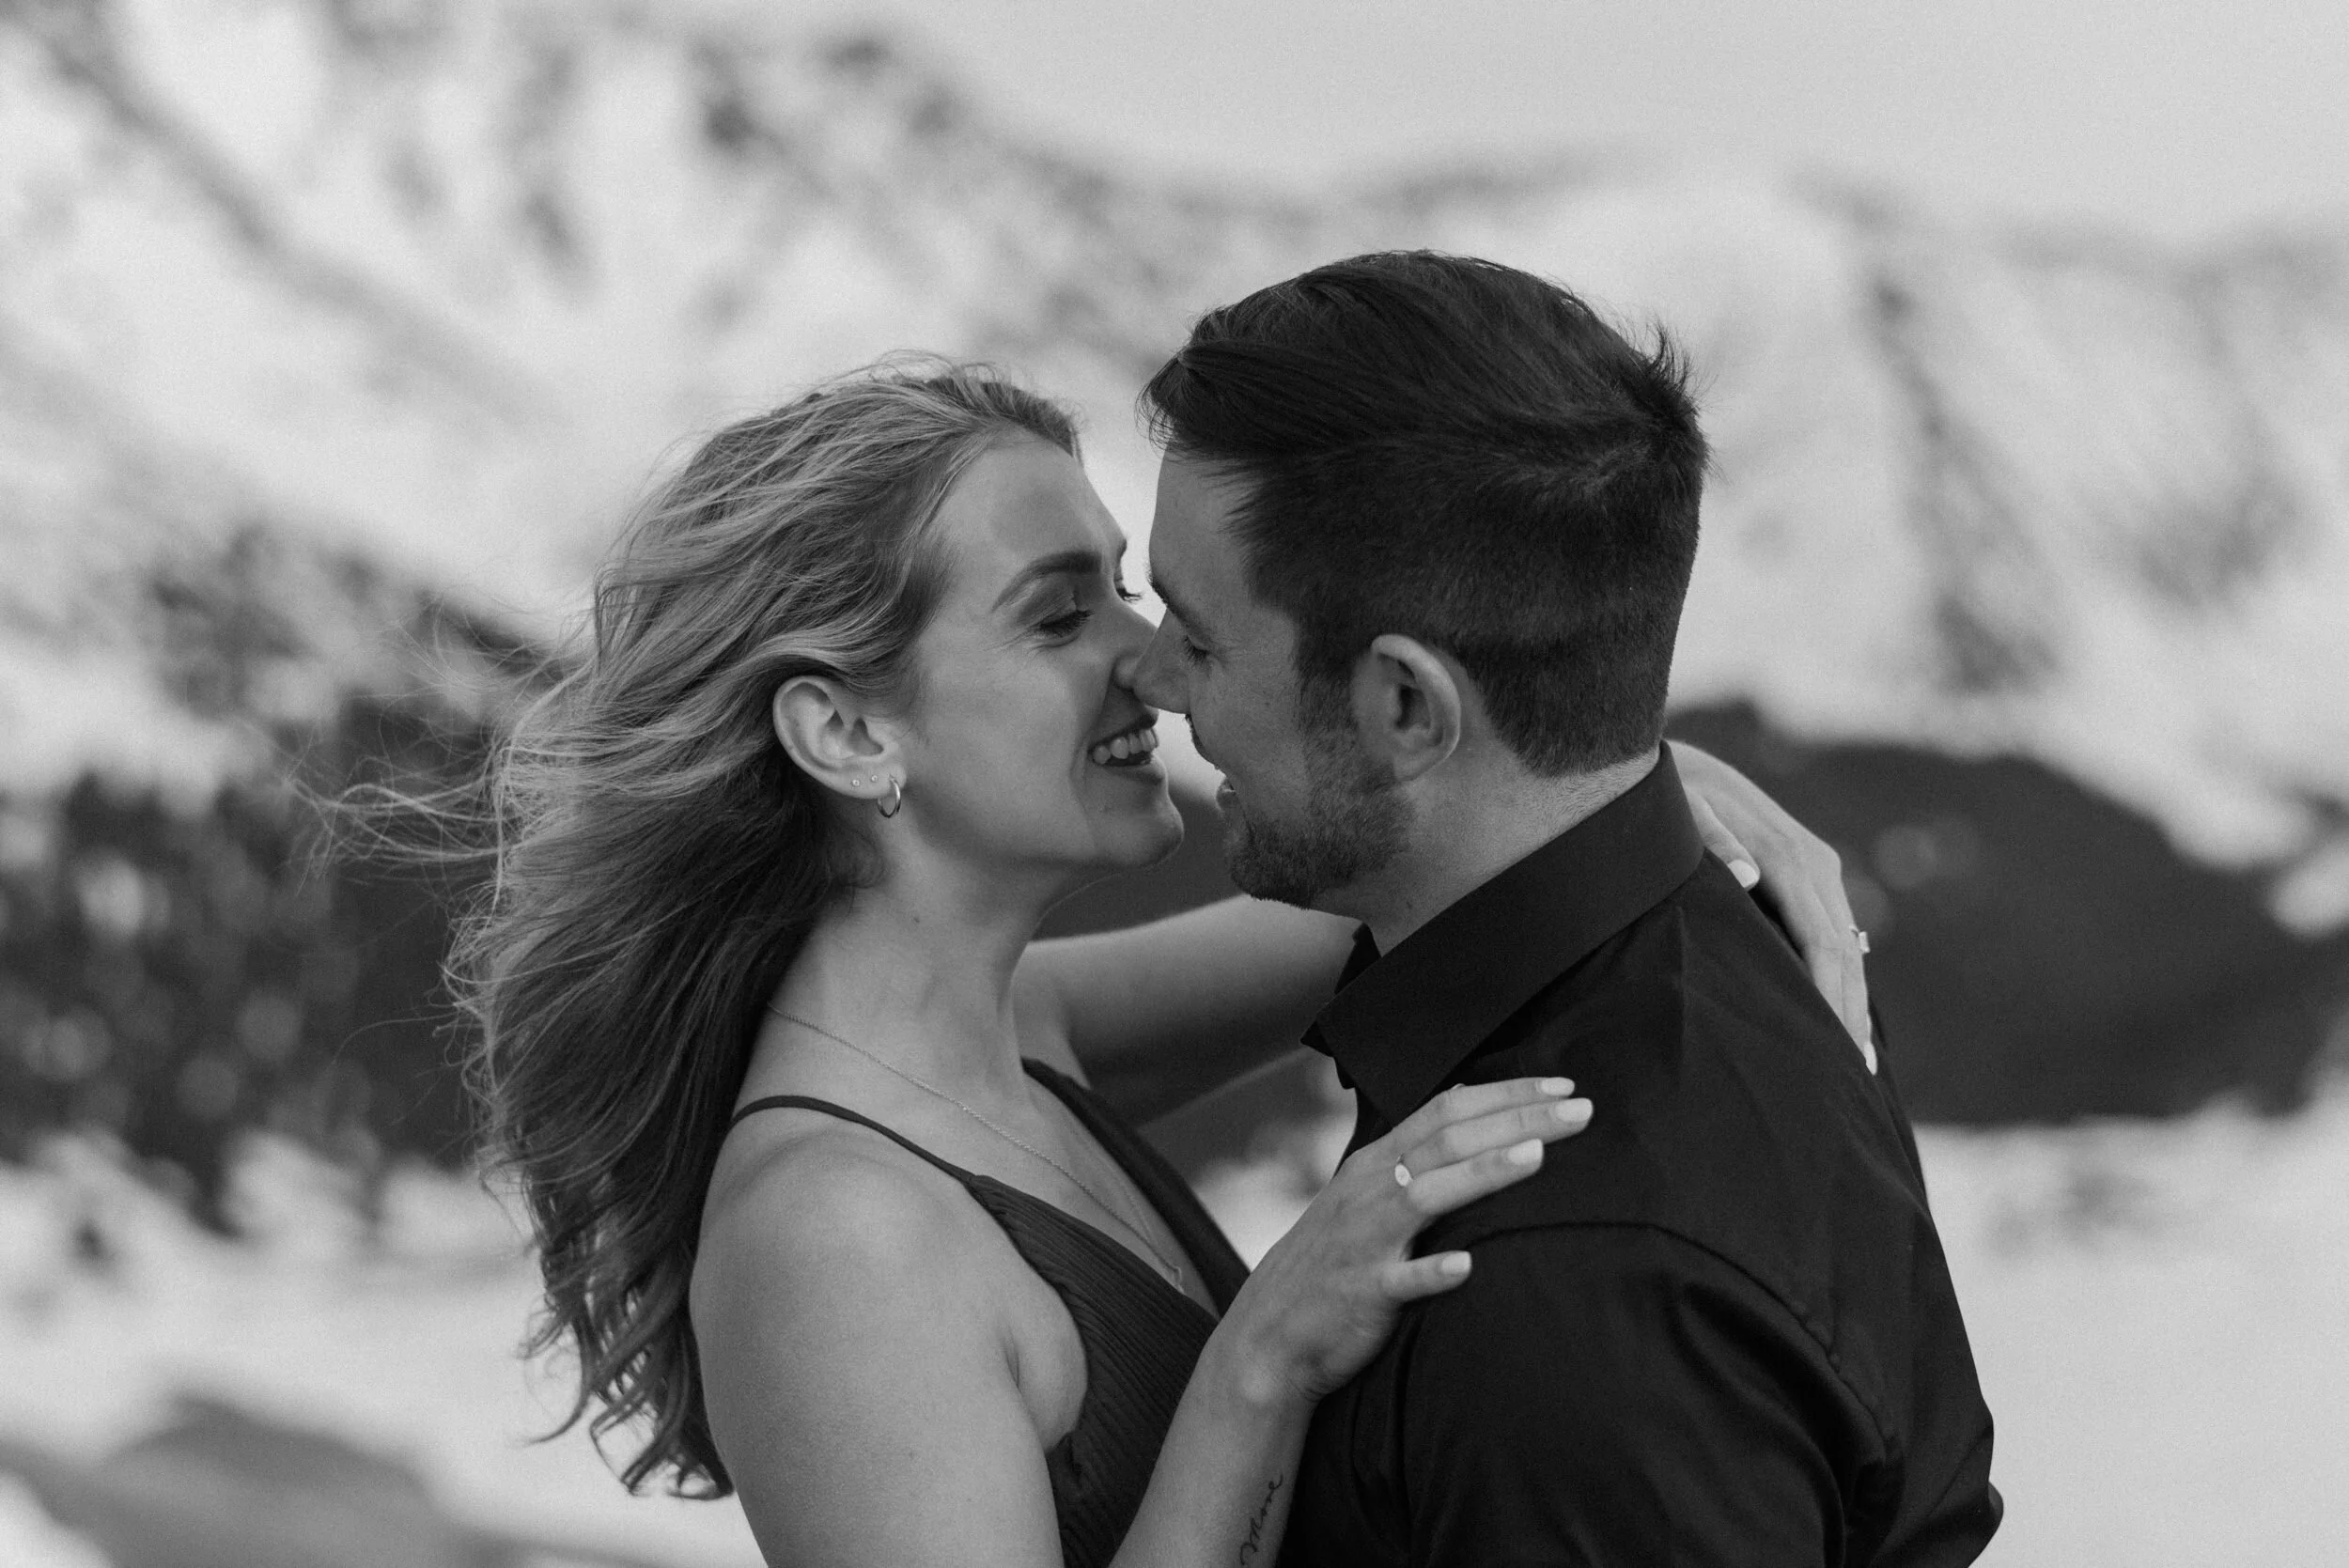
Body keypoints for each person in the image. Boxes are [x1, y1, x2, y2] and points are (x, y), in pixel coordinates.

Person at [451, 359, 1870, 1568]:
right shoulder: (835, 1237)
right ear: (847, 735)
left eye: (1129, 593)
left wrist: (1622, 774)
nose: (1161, 662)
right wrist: (1261, 1366)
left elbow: (1425, 866)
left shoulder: (1020, 1036)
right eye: (1060, 617)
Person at [1132, 251, 2000, 1565]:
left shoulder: (1563, 1305)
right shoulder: (1684, 949)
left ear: (1408, 709)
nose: (1150, 679)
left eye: (1199, 642)